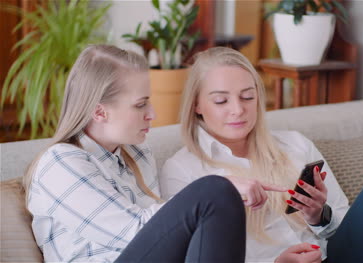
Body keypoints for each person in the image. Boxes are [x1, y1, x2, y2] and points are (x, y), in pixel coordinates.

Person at [160, 47, 363, 263]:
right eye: (221, 100)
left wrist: (319, 217)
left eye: (247, 96)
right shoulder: (183, 171)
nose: (238, 109)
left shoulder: (294, 145)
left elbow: (342, 222)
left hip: (335, 257)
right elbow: (196, 258)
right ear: (197, 105)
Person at [24, 44, 247, 262]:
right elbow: (136, 233)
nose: (153, 114)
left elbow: (165, 244)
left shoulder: (137, 154)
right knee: (214, 190)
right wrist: (215, 192)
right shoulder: (60, 162)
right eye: (140, 105)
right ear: (100, 112)